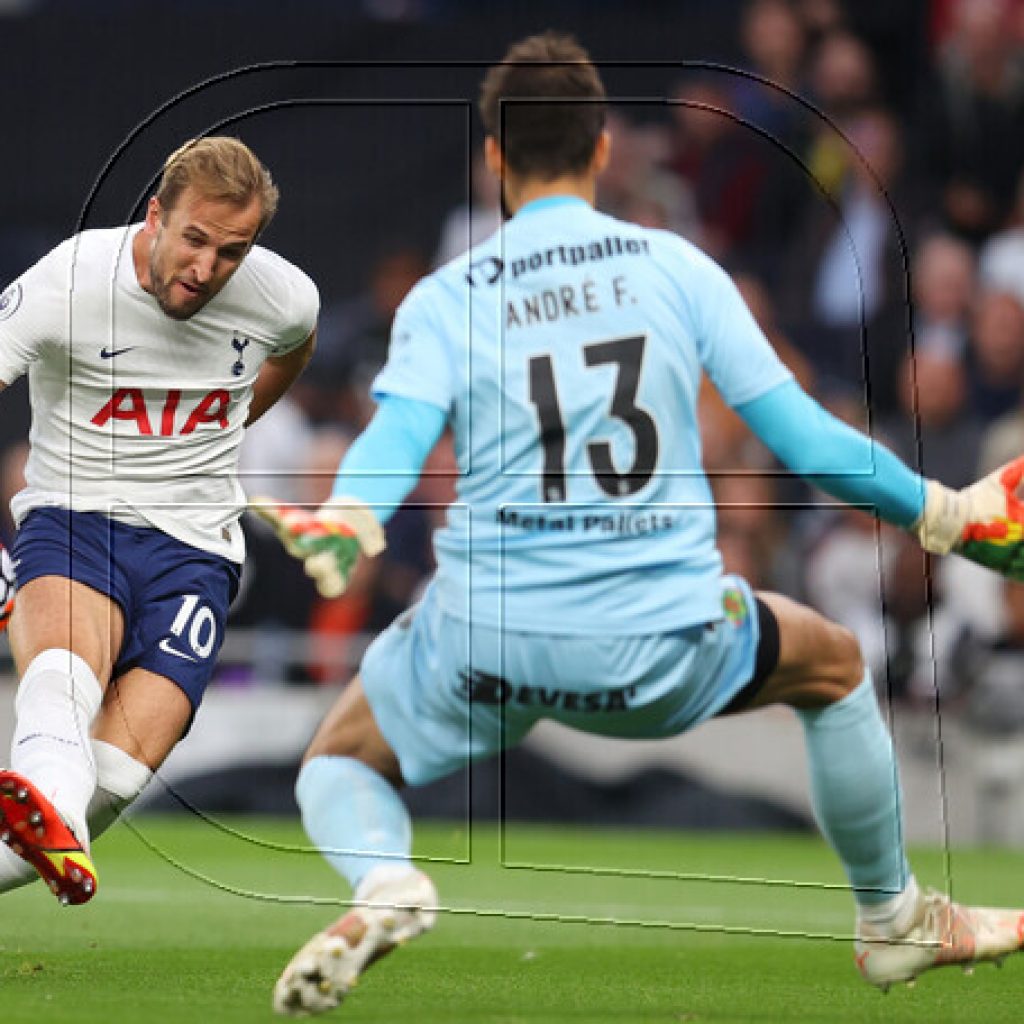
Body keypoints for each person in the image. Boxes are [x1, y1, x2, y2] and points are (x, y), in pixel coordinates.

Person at [254, 34, 1024, 1016]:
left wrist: (348, 518)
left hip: (490, 641)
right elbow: (808, 440)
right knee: (830, 666)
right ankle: (893, 919)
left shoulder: (446, 299)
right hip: (662, 647)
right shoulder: (675, 269)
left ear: (493, 155)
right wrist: (947, 512)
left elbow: (392, 442)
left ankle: (385, 884)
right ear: (604, 147)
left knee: (337, 756)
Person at [0, 136, 319, 905]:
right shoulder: (69, 282)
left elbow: (296, 343)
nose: (206, 268)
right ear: (155, 217)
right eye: (195, 239)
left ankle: (52, 802)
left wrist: (233, 422)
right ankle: (47, 787)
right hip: (76, 518)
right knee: (64, 676)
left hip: (195, 551)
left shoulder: (283, 296)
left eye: (231, 251)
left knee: (114, 779)